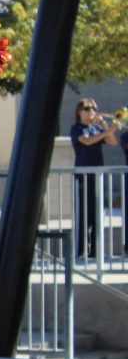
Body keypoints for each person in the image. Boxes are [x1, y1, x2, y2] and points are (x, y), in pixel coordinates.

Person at [70, 99, 117, 260]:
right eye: (88, 108)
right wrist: (108, 130)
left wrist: (104, 124)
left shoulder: (97, 128)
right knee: (83, 215)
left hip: (97, 177)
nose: (92, 111)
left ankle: (96, 251)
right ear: (79, 112)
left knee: (97, 214)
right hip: (83, 177)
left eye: (94, 108)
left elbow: (112, 142)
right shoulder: (76, 129)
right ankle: (81, 251)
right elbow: (87, 141)